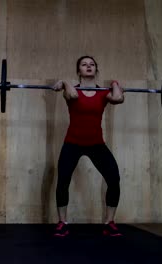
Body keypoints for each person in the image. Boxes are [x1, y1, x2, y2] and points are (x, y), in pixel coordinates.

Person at [52, 56, 125, 237]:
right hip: (73, 143)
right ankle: (63, 222)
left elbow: (118, 98)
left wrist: (115, 83)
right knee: (63, 181)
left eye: (92, 64)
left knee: (114, 179)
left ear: (96, 70)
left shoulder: (104, 93)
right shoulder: (71, 90)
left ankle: (109, 223)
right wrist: (64, 82)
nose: (89, 67)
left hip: (96, 144)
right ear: (79, 71)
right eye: (84, 65)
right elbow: (73, 95)